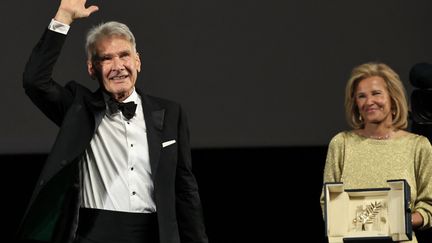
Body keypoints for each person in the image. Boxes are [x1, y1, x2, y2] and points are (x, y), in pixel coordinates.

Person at [18, 0, 208, 243]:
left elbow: (185, 190)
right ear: (91, 69)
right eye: (106, 59)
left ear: (137, 61)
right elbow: (35, 81)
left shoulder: (170, 113)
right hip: (93, 235)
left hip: (154, 235)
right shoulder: (78, 108)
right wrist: (63, 16)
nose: (118, 66)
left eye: (124, 55)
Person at [321, 62, 432, 242]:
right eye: (361, 96)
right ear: (355, 103)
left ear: (392, 97)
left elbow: (429, 205)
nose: (369, 101)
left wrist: (403, 222)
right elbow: (328, 202)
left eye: (376, 93)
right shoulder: (341, 143)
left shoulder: (418, 146)